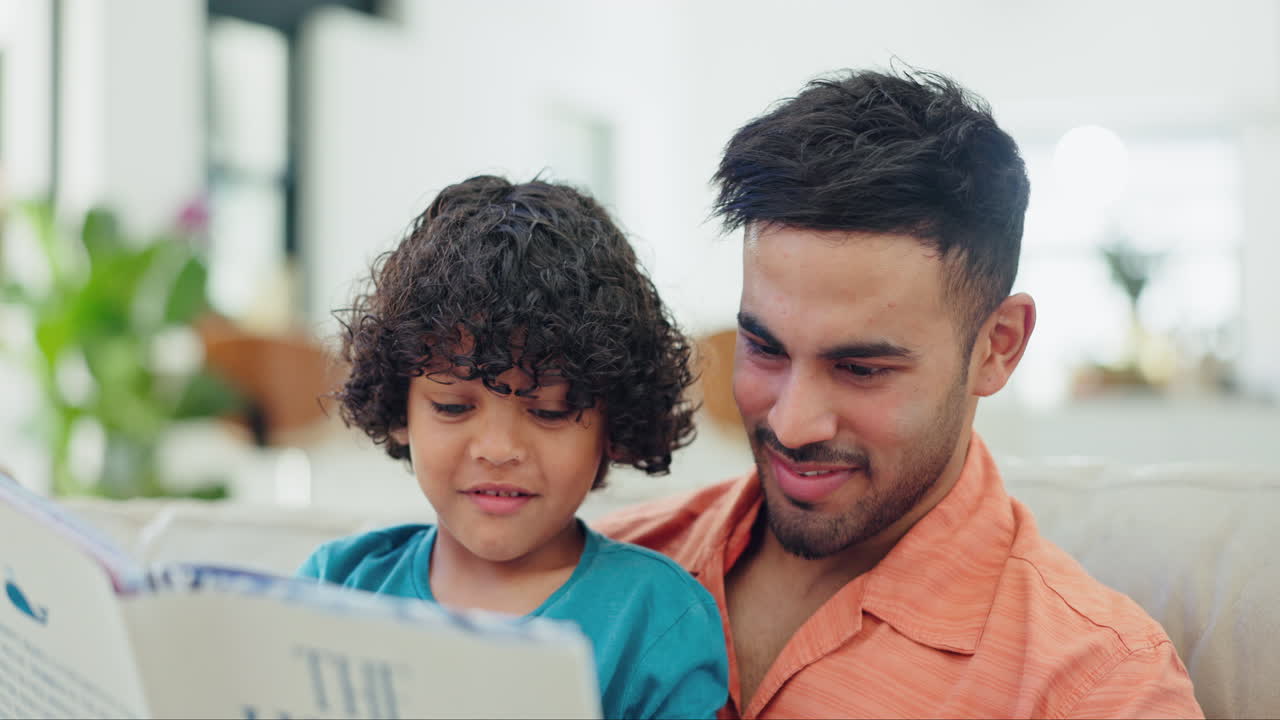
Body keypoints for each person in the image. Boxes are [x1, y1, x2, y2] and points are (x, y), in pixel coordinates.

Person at [594, 68, 1204, 719]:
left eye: (860, 368)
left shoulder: (1096, 687)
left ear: (998, 346)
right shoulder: (596, 567)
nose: (793, 424)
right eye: (766, 349)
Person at [297, 175, 729, 719]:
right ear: (398, 409)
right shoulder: (335, 587)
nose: (499, 449)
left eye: (548, 411)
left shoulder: (656, 616)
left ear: (612, 424)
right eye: (453, 407)